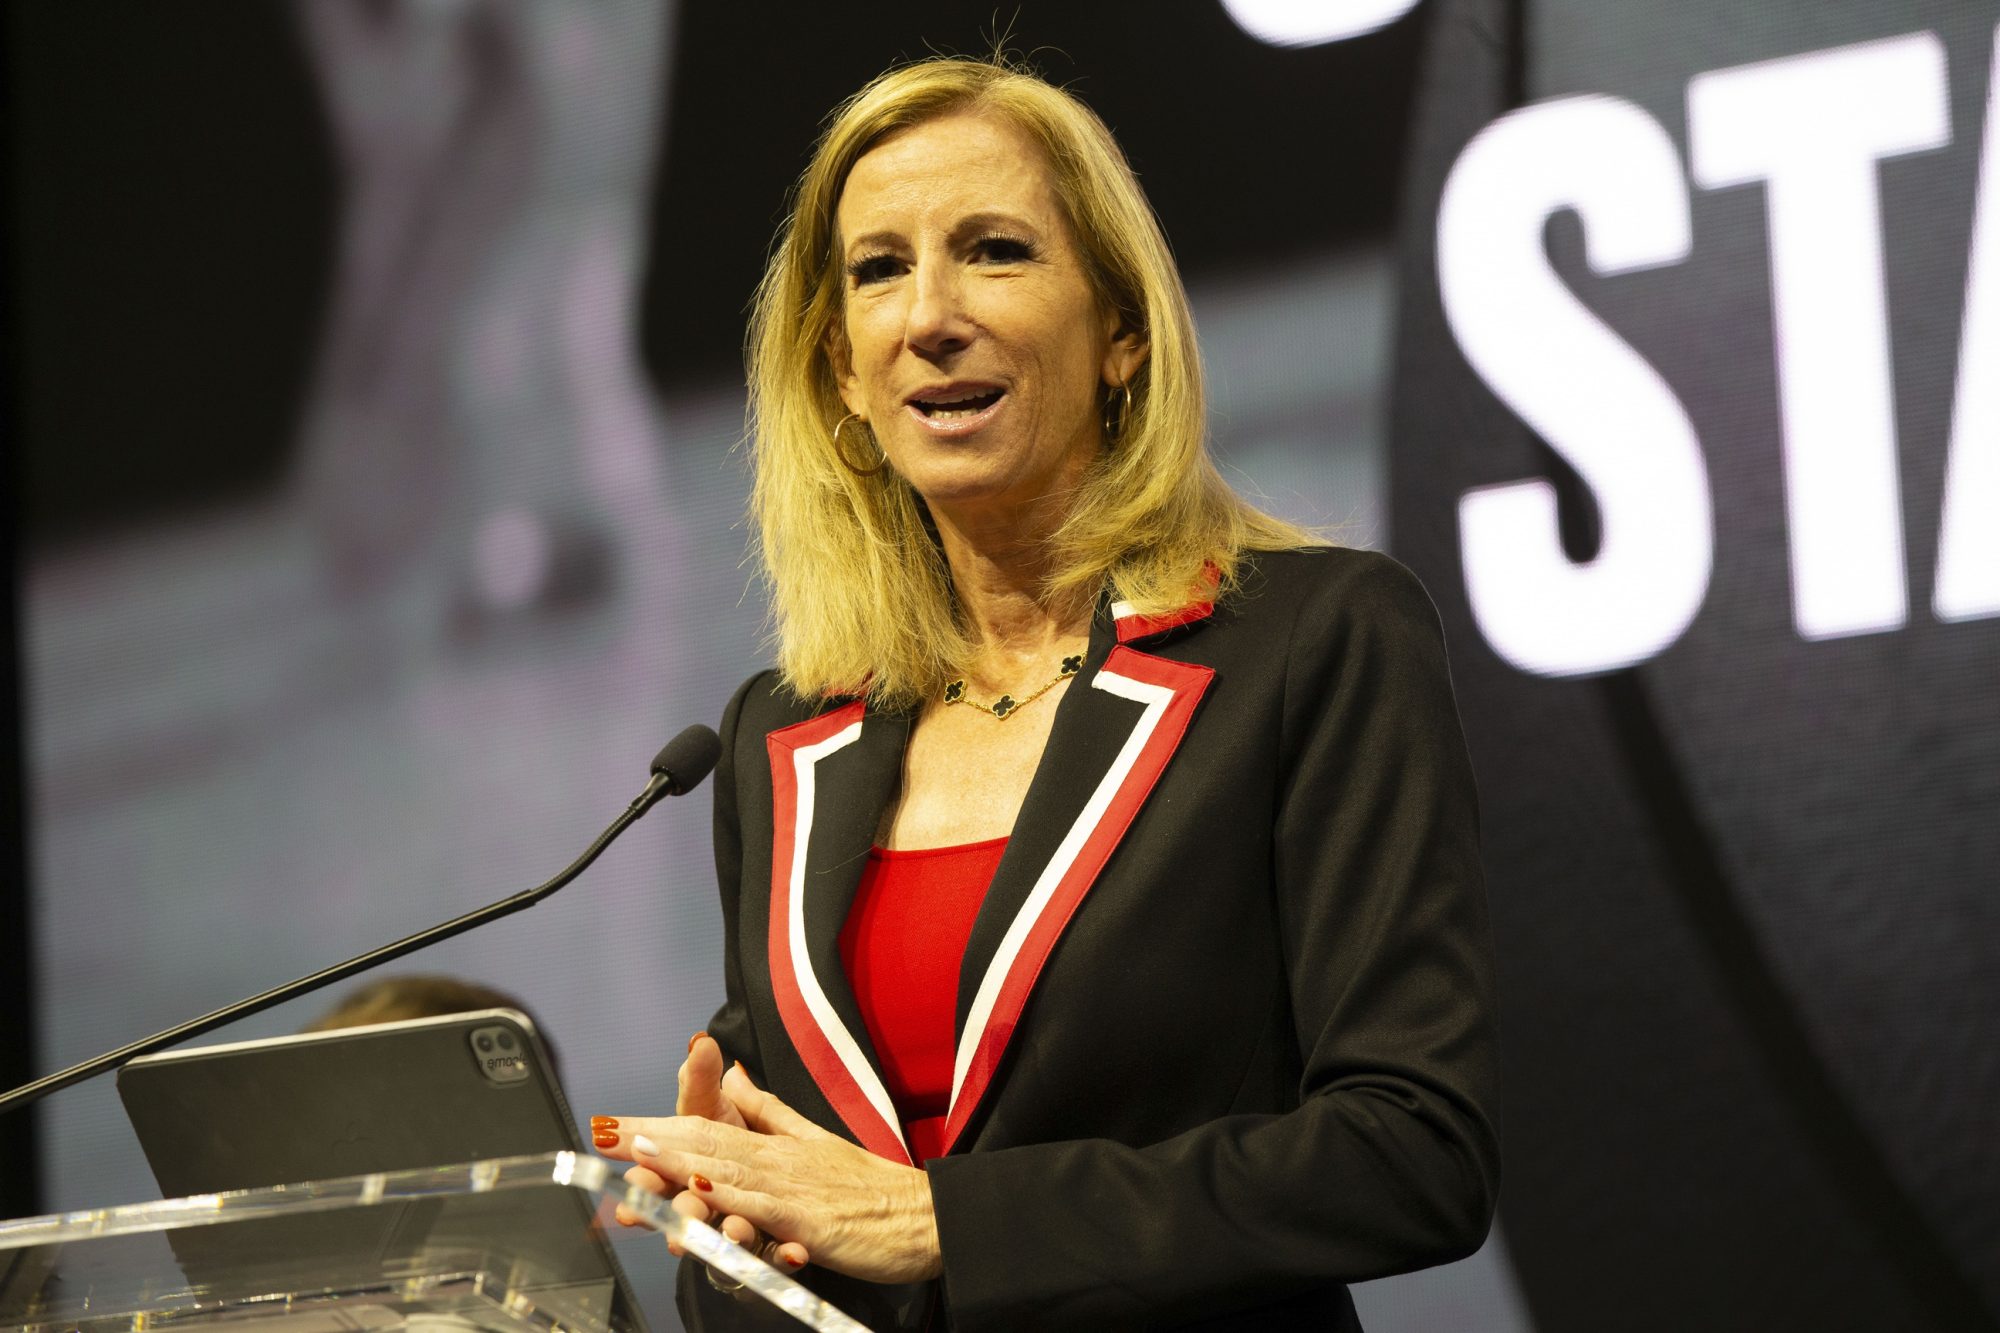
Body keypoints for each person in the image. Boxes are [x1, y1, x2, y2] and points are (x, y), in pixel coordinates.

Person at [592, 55, 1499, 1331]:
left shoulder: (1315, 643)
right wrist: (728, 1230)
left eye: (995, 251)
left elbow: (1412, 1154)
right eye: (877, 271)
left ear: (1120, 330)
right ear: (843, 373)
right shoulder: (777, 739)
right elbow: (792, 1231)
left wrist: (939, 1226)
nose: (928, 316)